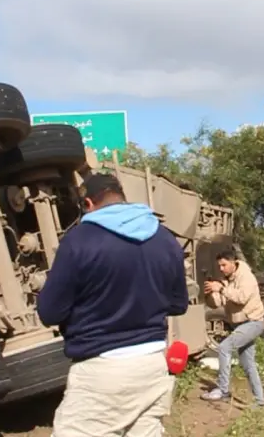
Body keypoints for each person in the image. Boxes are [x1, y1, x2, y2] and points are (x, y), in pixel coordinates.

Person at [36, 173, 189, 437]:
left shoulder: (79, 240)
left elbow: (49, 312)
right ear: (123, 199)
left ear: (88, 204)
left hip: (103, 371)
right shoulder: (165, 239)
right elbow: (178, 305)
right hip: (152, 365)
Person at [201, 249, 264, 407]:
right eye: (219, 266)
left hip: (253, 322)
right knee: (248, 364)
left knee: (224, 347)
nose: (221, 269)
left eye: (224, 265)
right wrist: (210, 293)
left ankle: (223, 391)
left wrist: (222, 289)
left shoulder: (246, 277)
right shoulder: (227, 279)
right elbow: (217, 303)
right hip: (240, 324)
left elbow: (241, 298)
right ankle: (260, 401)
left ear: (233, 262)